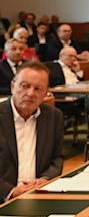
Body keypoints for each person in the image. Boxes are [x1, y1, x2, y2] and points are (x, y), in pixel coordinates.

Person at [0, 62, 63, 201]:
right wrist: (11, 192)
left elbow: (57, 158)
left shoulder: (53, 117)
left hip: (39, 195)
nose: (30, 93)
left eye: (38, 89)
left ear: (46, 93)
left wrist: (45, 179)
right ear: (12, 86)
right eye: (25, 86)